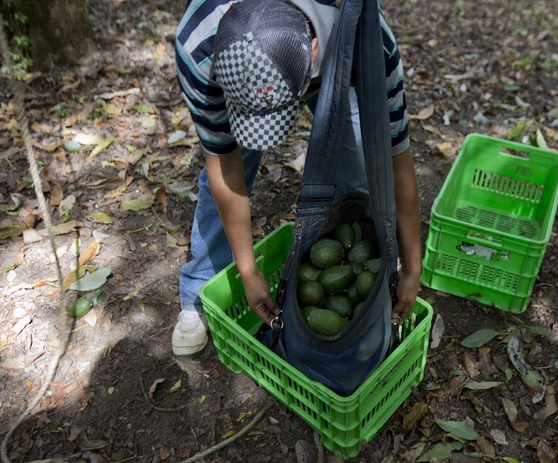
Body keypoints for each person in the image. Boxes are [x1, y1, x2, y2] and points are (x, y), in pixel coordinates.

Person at [172, 0, 422, 358]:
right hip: (236, 64)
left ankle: (363, 262)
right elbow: (223, 164)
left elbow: (396, 160)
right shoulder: (198, 49)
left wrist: (412, 267)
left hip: (340, 55)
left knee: (360, 167)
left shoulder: (367, 39)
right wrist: (247, 268)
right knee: (234, 165)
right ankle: (199, 288)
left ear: (315, 49)